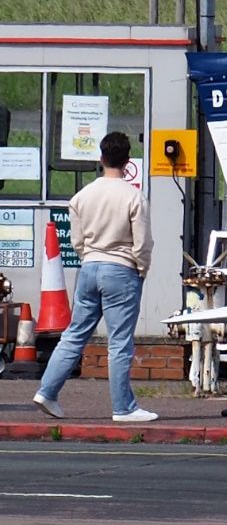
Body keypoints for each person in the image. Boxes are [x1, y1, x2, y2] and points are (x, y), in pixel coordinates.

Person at [33, 131, 156, 423]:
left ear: (101, 159)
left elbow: (77, 241)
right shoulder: (133, 196)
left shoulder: (81, 197)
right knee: (119, 342)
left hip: (89, 268)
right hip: (121, 270)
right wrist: (141, 269)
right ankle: (123, 408)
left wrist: (89, 256)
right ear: (127, 161)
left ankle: (47, 391)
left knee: (74, 335)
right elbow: (142, 243)